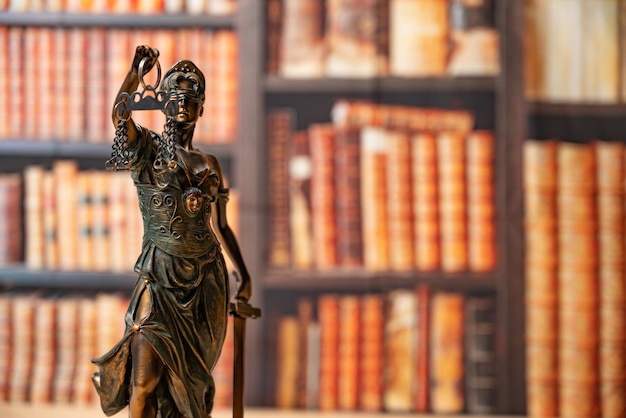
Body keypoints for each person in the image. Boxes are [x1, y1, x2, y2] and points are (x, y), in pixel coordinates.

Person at [92, 45, 251, 418]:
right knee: (143, 383)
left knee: (192, 384)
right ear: (163, 104)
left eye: (191, 98)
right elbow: (120, 115)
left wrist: (243, 274)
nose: (182, 105)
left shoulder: (209, 163)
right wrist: (135, 72)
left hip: (206, 280)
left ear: (202, 108)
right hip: (159, 275)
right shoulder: (147, 150)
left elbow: (222, 226)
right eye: (175, 96)